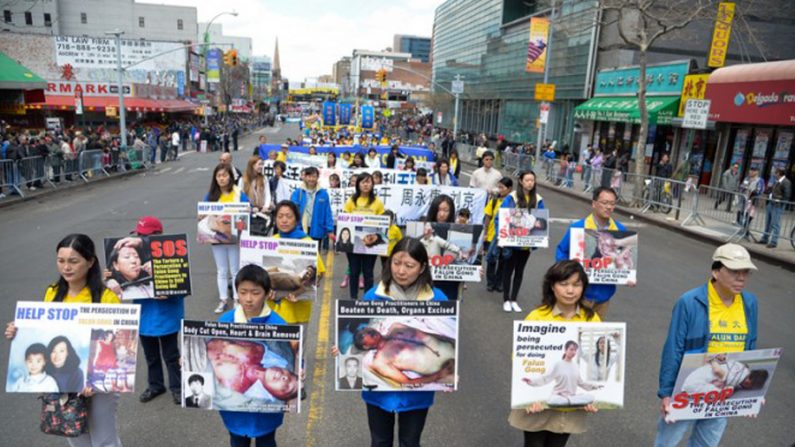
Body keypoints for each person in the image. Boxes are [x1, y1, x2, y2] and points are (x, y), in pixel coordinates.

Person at [5, 234, 123, 447]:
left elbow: (117, 345)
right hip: (63, 383)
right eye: (61, 261)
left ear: (90, 262)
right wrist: (19, 332)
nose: (66, 267)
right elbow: (43, 334)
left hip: (99, 383)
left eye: (73, 261)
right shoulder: (52, 293)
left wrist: (94, 380)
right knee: (75, 435)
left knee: (104, 440)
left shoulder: (106, 298)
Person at [334, 238, 448, 447]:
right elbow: (356, 344)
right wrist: (342, 353)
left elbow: (446, 335)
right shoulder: (373, 296)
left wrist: (446, 366)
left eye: (409, 265)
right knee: (380, 441)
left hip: (417, 396)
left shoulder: (437, 298)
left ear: (422, 267)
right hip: (378, 394)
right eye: (396, 263)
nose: (401, 271)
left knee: (410, 442)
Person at [655, 244, 759, 447]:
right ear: (716, 271)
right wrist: (667, 392)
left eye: (745, 272)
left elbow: (750, 347)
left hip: (723, 392)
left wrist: (754, 394)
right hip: (689, 385)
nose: (741, 278)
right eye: (734, 271)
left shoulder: (749, 303)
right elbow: (674, 349)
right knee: (667, 443)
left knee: (706, 444)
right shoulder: (690, 302)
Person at [509, 260, 600, 447]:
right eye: (564, 284)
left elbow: (590, 370)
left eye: (576, 284)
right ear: (552, 286)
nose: (570, 290)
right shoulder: (537, 317)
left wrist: (596, 395)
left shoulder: (591, 319)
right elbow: (522, 358)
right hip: (539, 402)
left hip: (569, 407)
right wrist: (528, 390)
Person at [217, 264, 292, 447]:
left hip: (266, 409)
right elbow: (210, 353)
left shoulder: (279, 324)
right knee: (237, 440)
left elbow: (292, 358)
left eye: (255, 293)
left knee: (266, 440)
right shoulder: (225, 321)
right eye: (243, 292)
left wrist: (299, 369)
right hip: (234, 407)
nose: (248, 299)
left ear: (267, 294)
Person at [114, 217, 185, 405]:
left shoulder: (172, 255)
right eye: (138, 235)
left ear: (157, 237)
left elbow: (183, 287)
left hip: (167, 316)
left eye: (144, 236)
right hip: (145, 317)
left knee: (171, 355)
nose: (139, 239)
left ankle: (177, 387)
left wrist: (168, 291)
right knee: (150, 355)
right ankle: (155, 385)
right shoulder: (136, 261)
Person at [555, 186, 632, 319]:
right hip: (578, 295)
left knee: (596, 334)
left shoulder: (620, 230)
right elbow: (562, 252)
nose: (609, 207)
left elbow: (626, 260)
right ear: (594, 203)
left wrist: (628, 275)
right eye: (604, 203)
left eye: (612, 204)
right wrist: (567, 274)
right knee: (575, 332)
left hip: (604, 296)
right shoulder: (578, 227)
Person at [268, 201, 326, 323]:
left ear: (296, 219)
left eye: (289, 216)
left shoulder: (307, 242)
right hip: (273, 311)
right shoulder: (271, 241)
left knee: (296, 342)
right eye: (280, 216)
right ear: (275, 219)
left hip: (298, 311)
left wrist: (303, 290)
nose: (284, 220)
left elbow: (319, 273)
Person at [204, 164, 250, 313]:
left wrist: (247, 210)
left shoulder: (238, 193)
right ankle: (223, 299)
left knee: (235, 270)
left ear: (230, 177)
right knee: (221, 270)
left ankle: (237, 299)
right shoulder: (210, 196)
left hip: (234, 236)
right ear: (215, 178)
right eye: (219, 176)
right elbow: (203, 215)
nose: (222, 178)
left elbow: (246, 211)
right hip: (217, 238)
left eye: (224, 175)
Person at [497, 171, 545, 312]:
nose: (530, 183)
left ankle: (514, 299)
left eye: (532, 180)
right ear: (521, 181)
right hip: (512, 241)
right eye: (527, 180)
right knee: (508, 270)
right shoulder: (512, 197)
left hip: (526, 242)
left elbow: (541, 220)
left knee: (520, 271)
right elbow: (502, 216)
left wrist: (536, 240)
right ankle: (506, 299)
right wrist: (502, 236)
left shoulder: (538, 199)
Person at [342, 173, 385, 299]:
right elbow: (345, 218)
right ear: (358, 184)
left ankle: (368, 299)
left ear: (372, 184)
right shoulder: (351, 200)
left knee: (368, 272)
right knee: (354, 271)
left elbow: (382, 222)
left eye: (368, 182)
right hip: (354, 244)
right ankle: (353, 298)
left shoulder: (377, 202)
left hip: (371, 246)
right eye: (363, 182)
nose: (366, 185)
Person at [422, 195, 464, 300]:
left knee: (447, 310)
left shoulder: (456, 231)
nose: (442, 214)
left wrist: (474, 272)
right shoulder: (422, 237)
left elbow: (455, 252)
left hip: (449, 282)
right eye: (439, 210)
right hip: (426, 281)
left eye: (446, 210)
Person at [291, 167, 335, 244]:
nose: (311, 179)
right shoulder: (297, 193)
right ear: (304, 177)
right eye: (309, 176)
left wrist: (330, 229)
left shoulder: (323, 194)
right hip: (300, 229)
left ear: (318, 177)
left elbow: (327, 213)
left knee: (315, 254)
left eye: (314, 176)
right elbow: (292, 211)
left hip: (317, 229)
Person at [484, 177, 513, 292]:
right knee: (491, 259)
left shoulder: (513, 203)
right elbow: (488, 216)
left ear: (509, 189)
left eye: (502, 187)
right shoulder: (495, 201)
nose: (500, 190)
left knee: (503, 260)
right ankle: (490, 283)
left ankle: (499, 282)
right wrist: (485, 232)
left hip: (506, 236)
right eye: (499, 187)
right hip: (492, 235)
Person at [758, 169, 791, 248]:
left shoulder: (786, 182)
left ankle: (774, 241)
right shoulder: (777, 181)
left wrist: (779, 201)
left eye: (775, 173)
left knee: (775, 224)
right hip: (771, 203)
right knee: (768, 222)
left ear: (779, 173)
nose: (774, 174)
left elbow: (787, 195)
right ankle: (765, 238)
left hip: (777, 205)